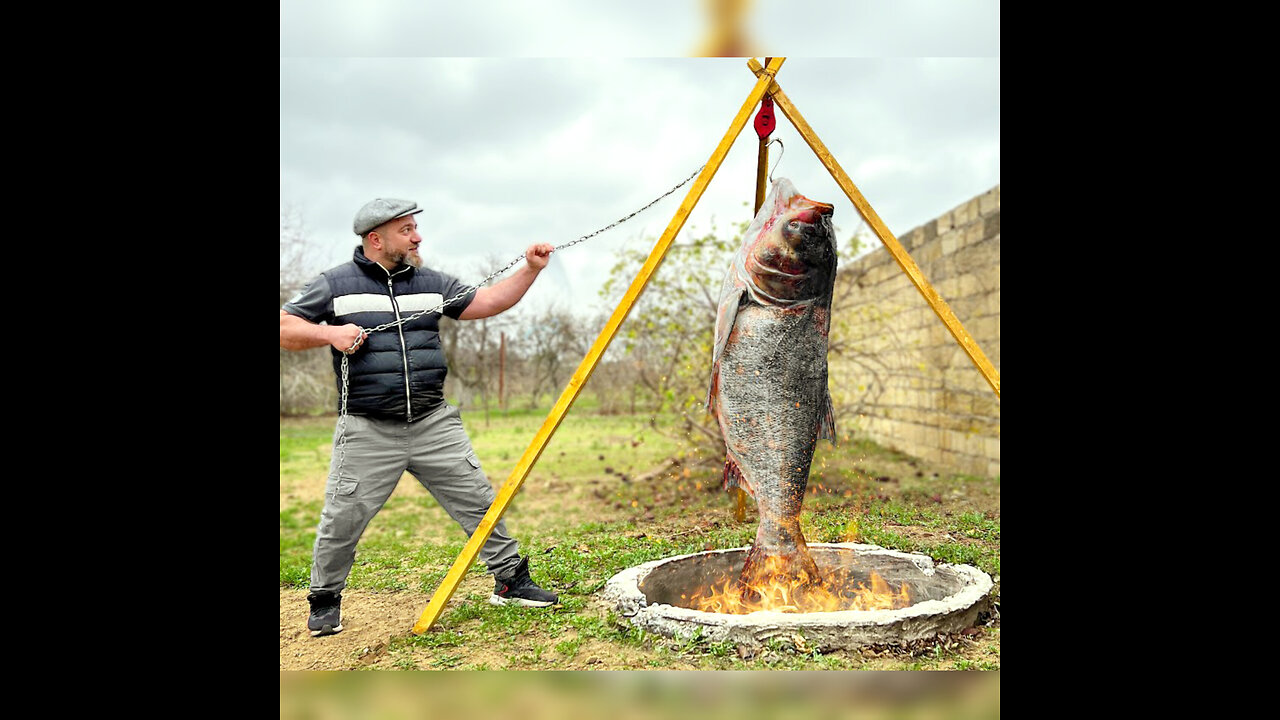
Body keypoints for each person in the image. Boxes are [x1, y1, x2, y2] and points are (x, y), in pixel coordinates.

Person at [280, 197, 560, 637]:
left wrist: (529, 270)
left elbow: (485, 302)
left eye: (415, 228)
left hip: (433, 422)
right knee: (343, 517)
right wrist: (329, 332)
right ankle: (325, 599)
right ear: (377, 238)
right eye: (407, 229)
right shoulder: (334, 284)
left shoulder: (432, 283)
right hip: (367, 427)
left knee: (478, 502)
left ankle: (511, 581)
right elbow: (284, 325)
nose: (417, 236)